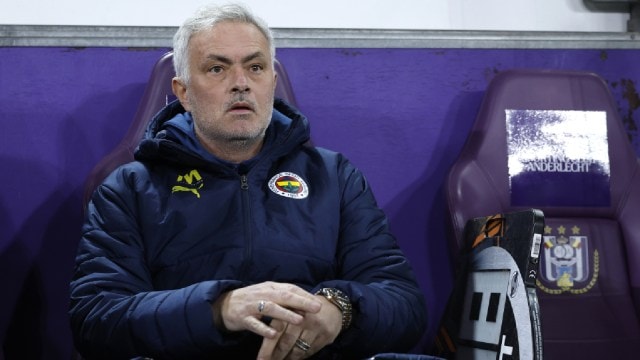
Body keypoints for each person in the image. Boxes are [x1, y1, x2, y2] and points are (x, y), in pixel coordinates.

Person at [69, 3, 428, 359]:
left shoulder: (334, 178)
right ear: (183, 93)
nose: (240, 84)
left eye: (255, 67)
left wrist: (340, 311)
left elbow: (405, 306)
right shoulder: (128, 189)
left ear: (271, 82)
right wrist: (218, 309)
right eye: (217, 69)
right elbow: (96, 321)